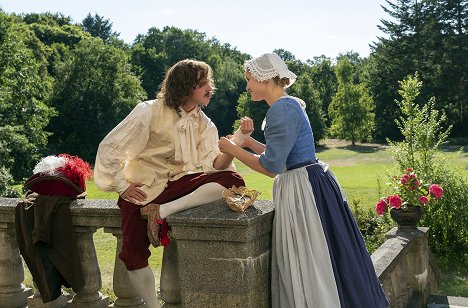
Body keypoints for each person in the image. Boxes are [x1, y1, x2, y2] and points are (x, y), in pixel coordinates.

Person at [218, 53, 389, 308]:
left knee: (308, 256)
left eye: (250, 79)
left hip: (302, 187)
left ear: (266, 79)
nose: (247, 86)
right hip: (310, 180)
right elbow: (284, 152)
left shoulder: (281, 109)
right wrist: (250, 142)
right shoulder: (288, 105)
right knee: (320, 254)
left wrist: (232, 149)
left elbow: (272, 167)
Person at [94, 59, 245, 308]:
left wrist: (237, 143)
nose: (210, 88)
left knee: (233, 180)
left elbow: (213, 164)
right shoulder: (148, 110)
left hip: (174, 187)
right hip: (142, 190)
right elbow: (110, 147)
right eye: (203, 83)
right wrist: (122, 186)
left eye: (210, 82)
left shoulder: (204, 123)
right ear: (186, 86)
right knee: (133, 254)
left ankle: (161, 212)